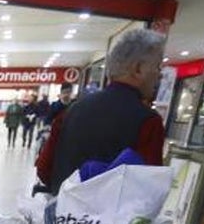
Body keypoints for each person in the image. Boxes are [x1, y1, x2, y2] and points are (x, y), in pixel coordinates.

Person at [36, 29, 166, 194]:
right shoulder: (148, 122)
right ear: (138, 69)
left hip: (62, 213)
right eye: (158, 66)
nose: (159, 75)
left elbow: (44, 168)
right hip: (112, 218)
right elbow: (148, 191)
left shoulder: (72, 110)